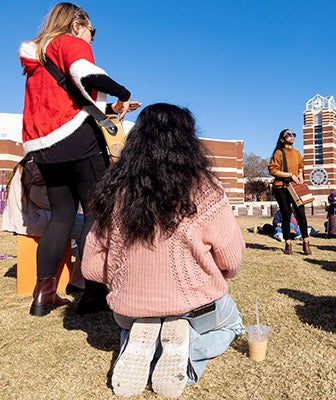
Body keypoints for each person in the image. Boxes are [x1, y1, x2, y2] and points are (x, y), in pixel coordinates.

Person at [81, 104, 245, 398]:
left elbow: (91, 266)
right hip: (195, 309)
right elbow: (231, 259)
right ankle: (187, 351)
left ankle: (137, 340)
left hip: (128, 311)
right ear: (188, 141)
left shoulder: (114, 190)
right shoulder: (205, 188)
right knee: (234, 325)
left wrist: (127, 275)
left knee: (136, 322)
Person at [18, 3, 141, 316]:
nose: (92, 38)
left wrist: (112, 110)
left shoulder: (39, 59)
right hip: (78, 141)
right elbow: (85, 73)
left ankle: (43, 296)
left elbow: (67, 100)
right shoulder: (69, 42)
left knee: (60, 216)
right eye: (92, 31)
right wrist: (123, 92)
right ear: (77, 24)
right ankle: (93, 293)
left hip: (44, 146)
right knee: (95, 214)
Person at [1, 157, 86, 293]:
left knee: (84, 227)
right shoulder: (36, 166)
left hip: (30, 218)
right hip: (38, 219)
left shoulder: (26, 165)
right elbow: (41, 199)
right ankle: (78, 279)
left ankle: (79, 274)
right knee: (90, 228)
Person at [268, 129, 311, 255]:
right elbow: (272, 170)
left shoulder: (297, 153)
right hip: (281, 187)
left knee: (301, 213)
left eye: (293, 134)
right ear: (282, 139)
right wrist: (290, 175)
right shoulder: (279, 153)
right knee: (286, 215)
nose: (292, 136)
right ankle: (288, 244)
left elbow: (301, 167)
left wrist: (300, 176)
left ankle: (306, 242)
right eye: (288, 135)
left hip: (295, 188)